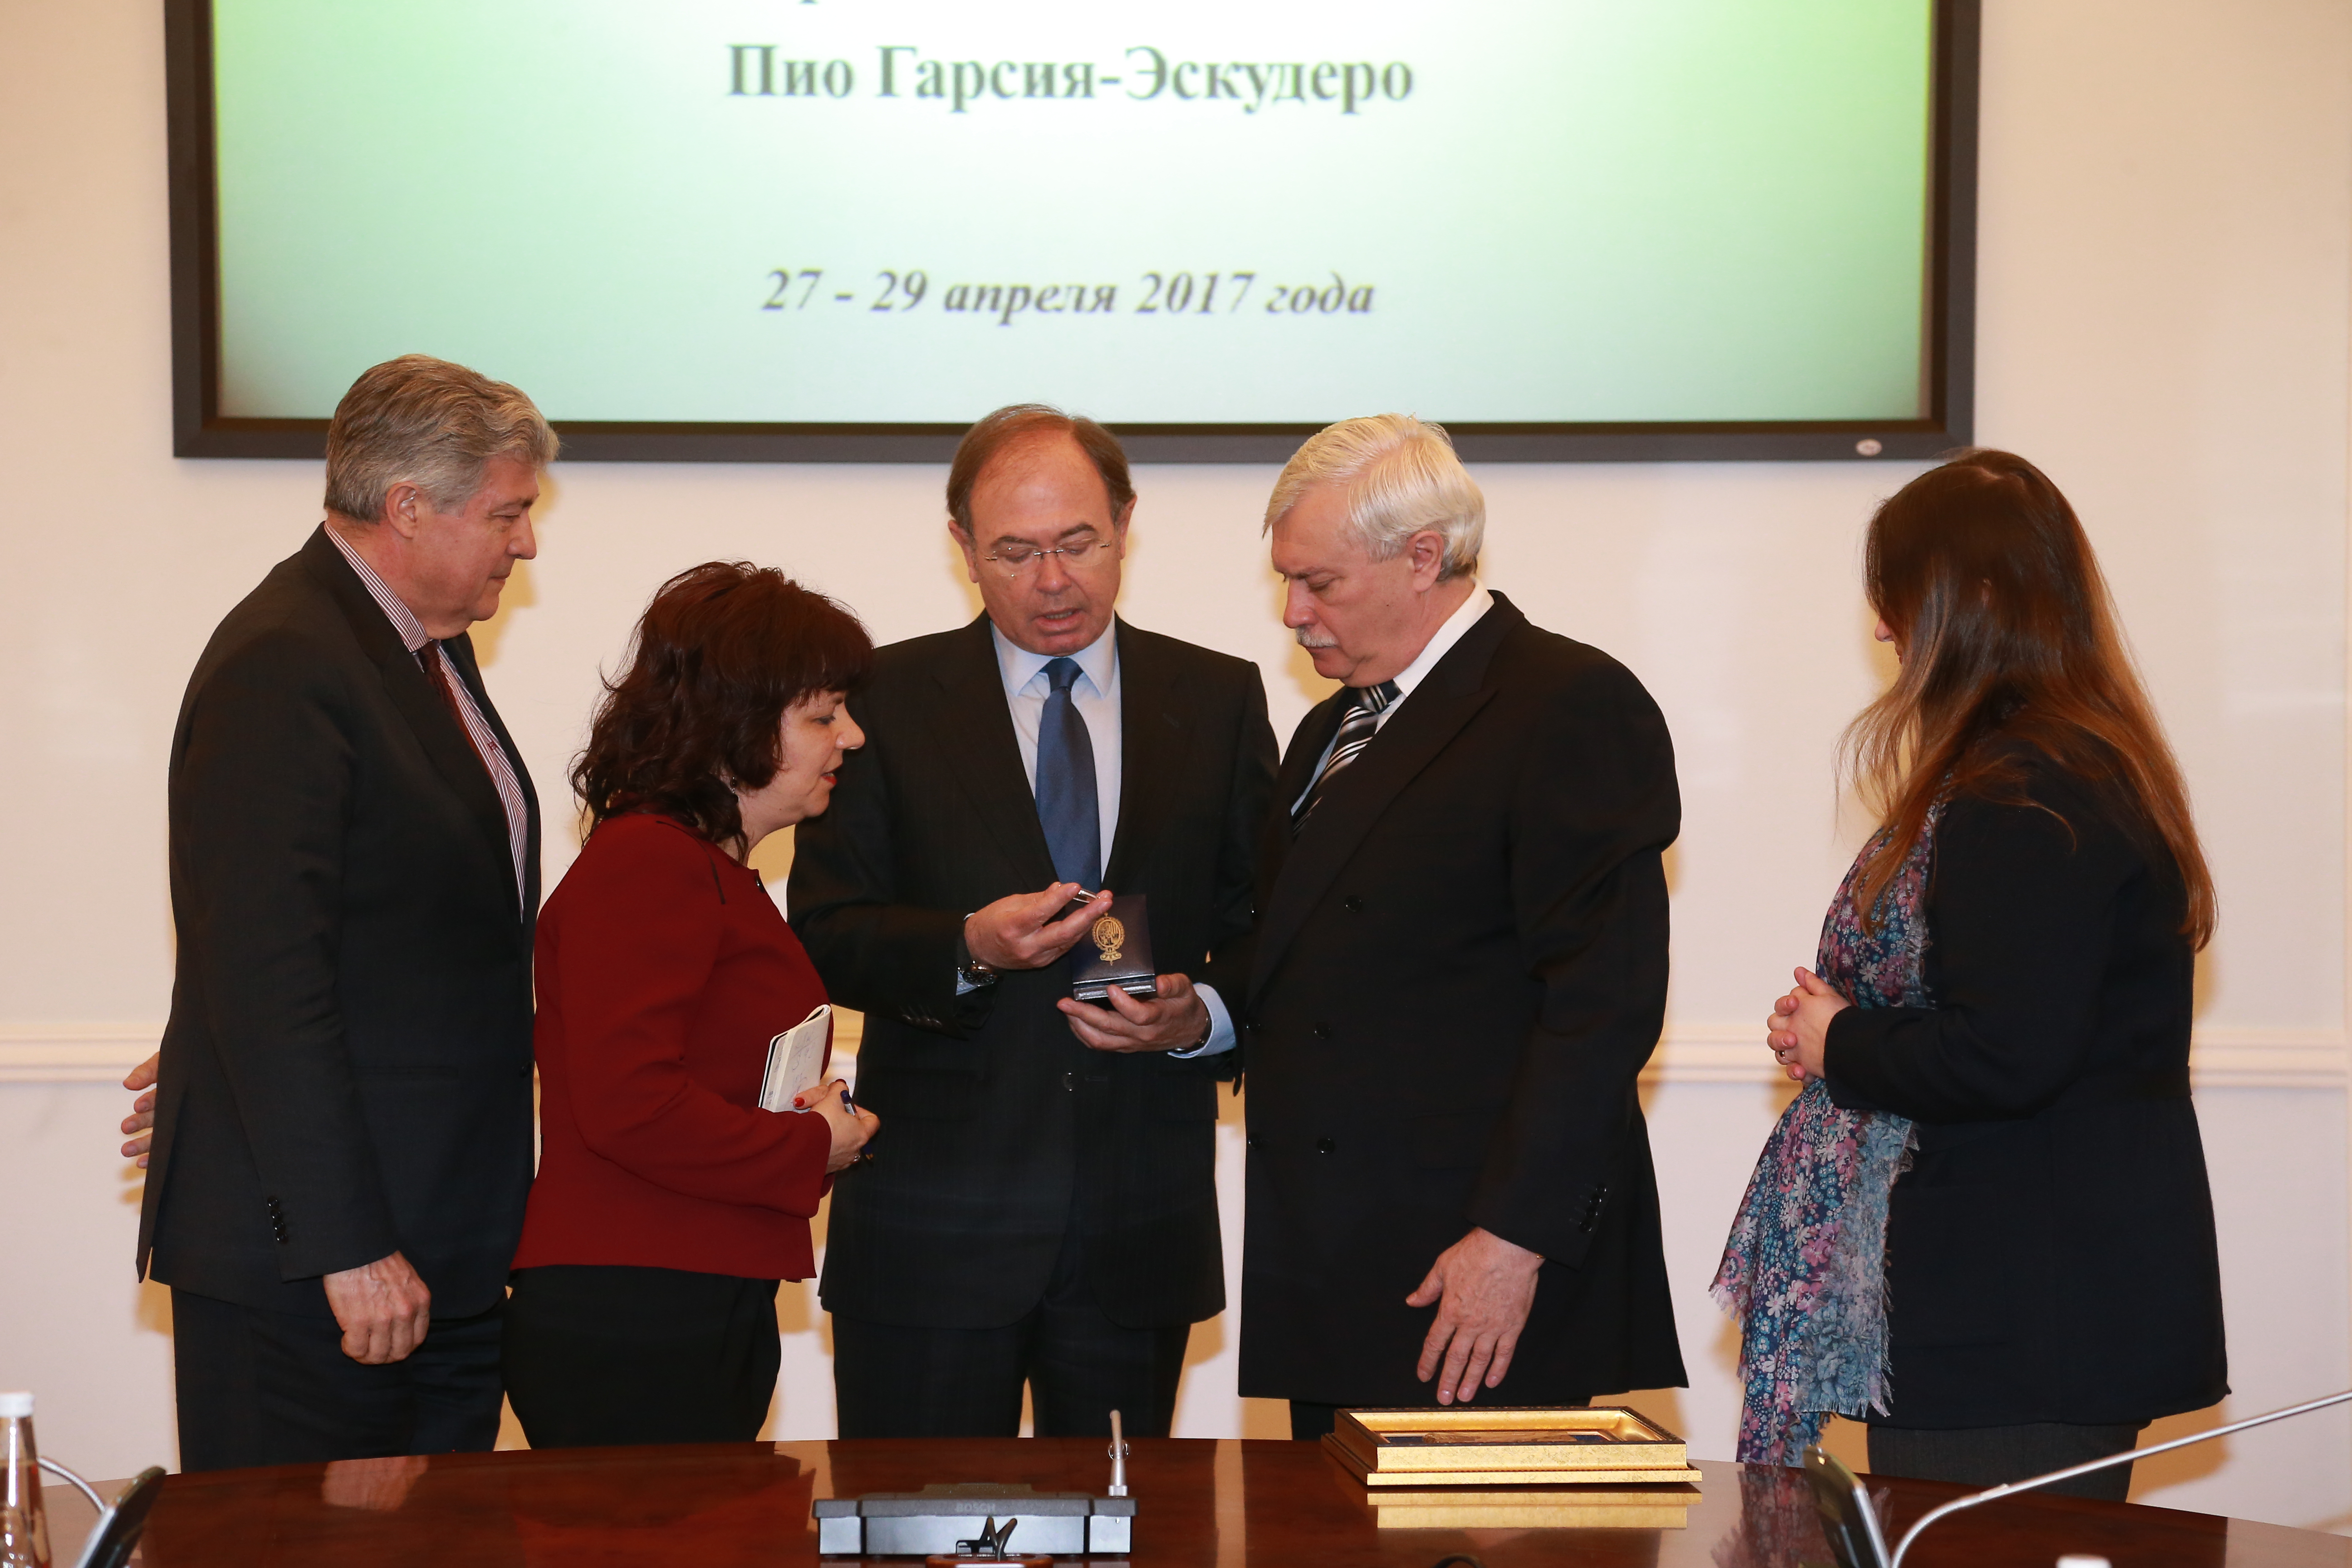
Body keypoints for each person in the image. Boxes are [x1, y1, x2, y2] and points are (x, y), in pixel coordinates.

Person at [1713, 449, 2227, 1498]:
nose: (1883, 630)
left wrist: (1840, 1039)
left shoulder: (2025, 791)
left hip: (2018, 1331)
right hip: (2033, 1318)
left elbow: (2006, 1053)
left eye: (1899, 597)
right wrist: (1842, 1026)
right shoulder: (2064, 763)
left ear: (1974, 600)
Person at [786, 404, 1277, 1438]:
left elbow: (1268, 928)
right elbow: (827, 928)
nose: (1054, 581)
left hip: (1137, 1225)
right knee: (911, 1518)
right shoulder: (883, 701)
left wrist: (1201, 1017)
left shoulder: (1218, 698)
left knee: (1126, 1519)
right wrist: (966, 947)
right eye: (1015, 552)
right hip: (934, 1228)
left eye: (1079, 543)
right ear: (963, 547)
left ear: (1126, 524)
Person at [129, 355, 555, 1470]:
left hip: (441, 1246)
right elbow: (267, 977)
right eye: (506, 513)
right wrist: (347, 1244)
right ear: (407, 507)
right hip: (328, 1276)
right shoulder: (287, 660)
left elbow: (408, 939)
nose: (526, 543)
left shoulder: (421, 647)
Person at [1241, 414, 1686, 1440]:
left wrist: (1514, 1239)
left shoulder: (1567, 702)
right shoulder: (1332, 727)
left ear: (1422, 557)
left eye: (1320, 583)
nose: (1295, 614)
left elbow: (1602, 1005)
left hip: (1475, 1276)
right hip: (1336, 1265)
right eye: (1287, 582)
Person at [502, 563, 881, 1446]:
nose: (852, 738)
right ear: (735, 721)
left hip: (687, 1295)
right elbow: (631, 1103)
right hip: (636, 1308)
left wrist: (815, 1125)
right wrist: (811, 1145)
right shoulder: (651, 861)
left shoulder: (709, 870)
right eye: (823, 715)